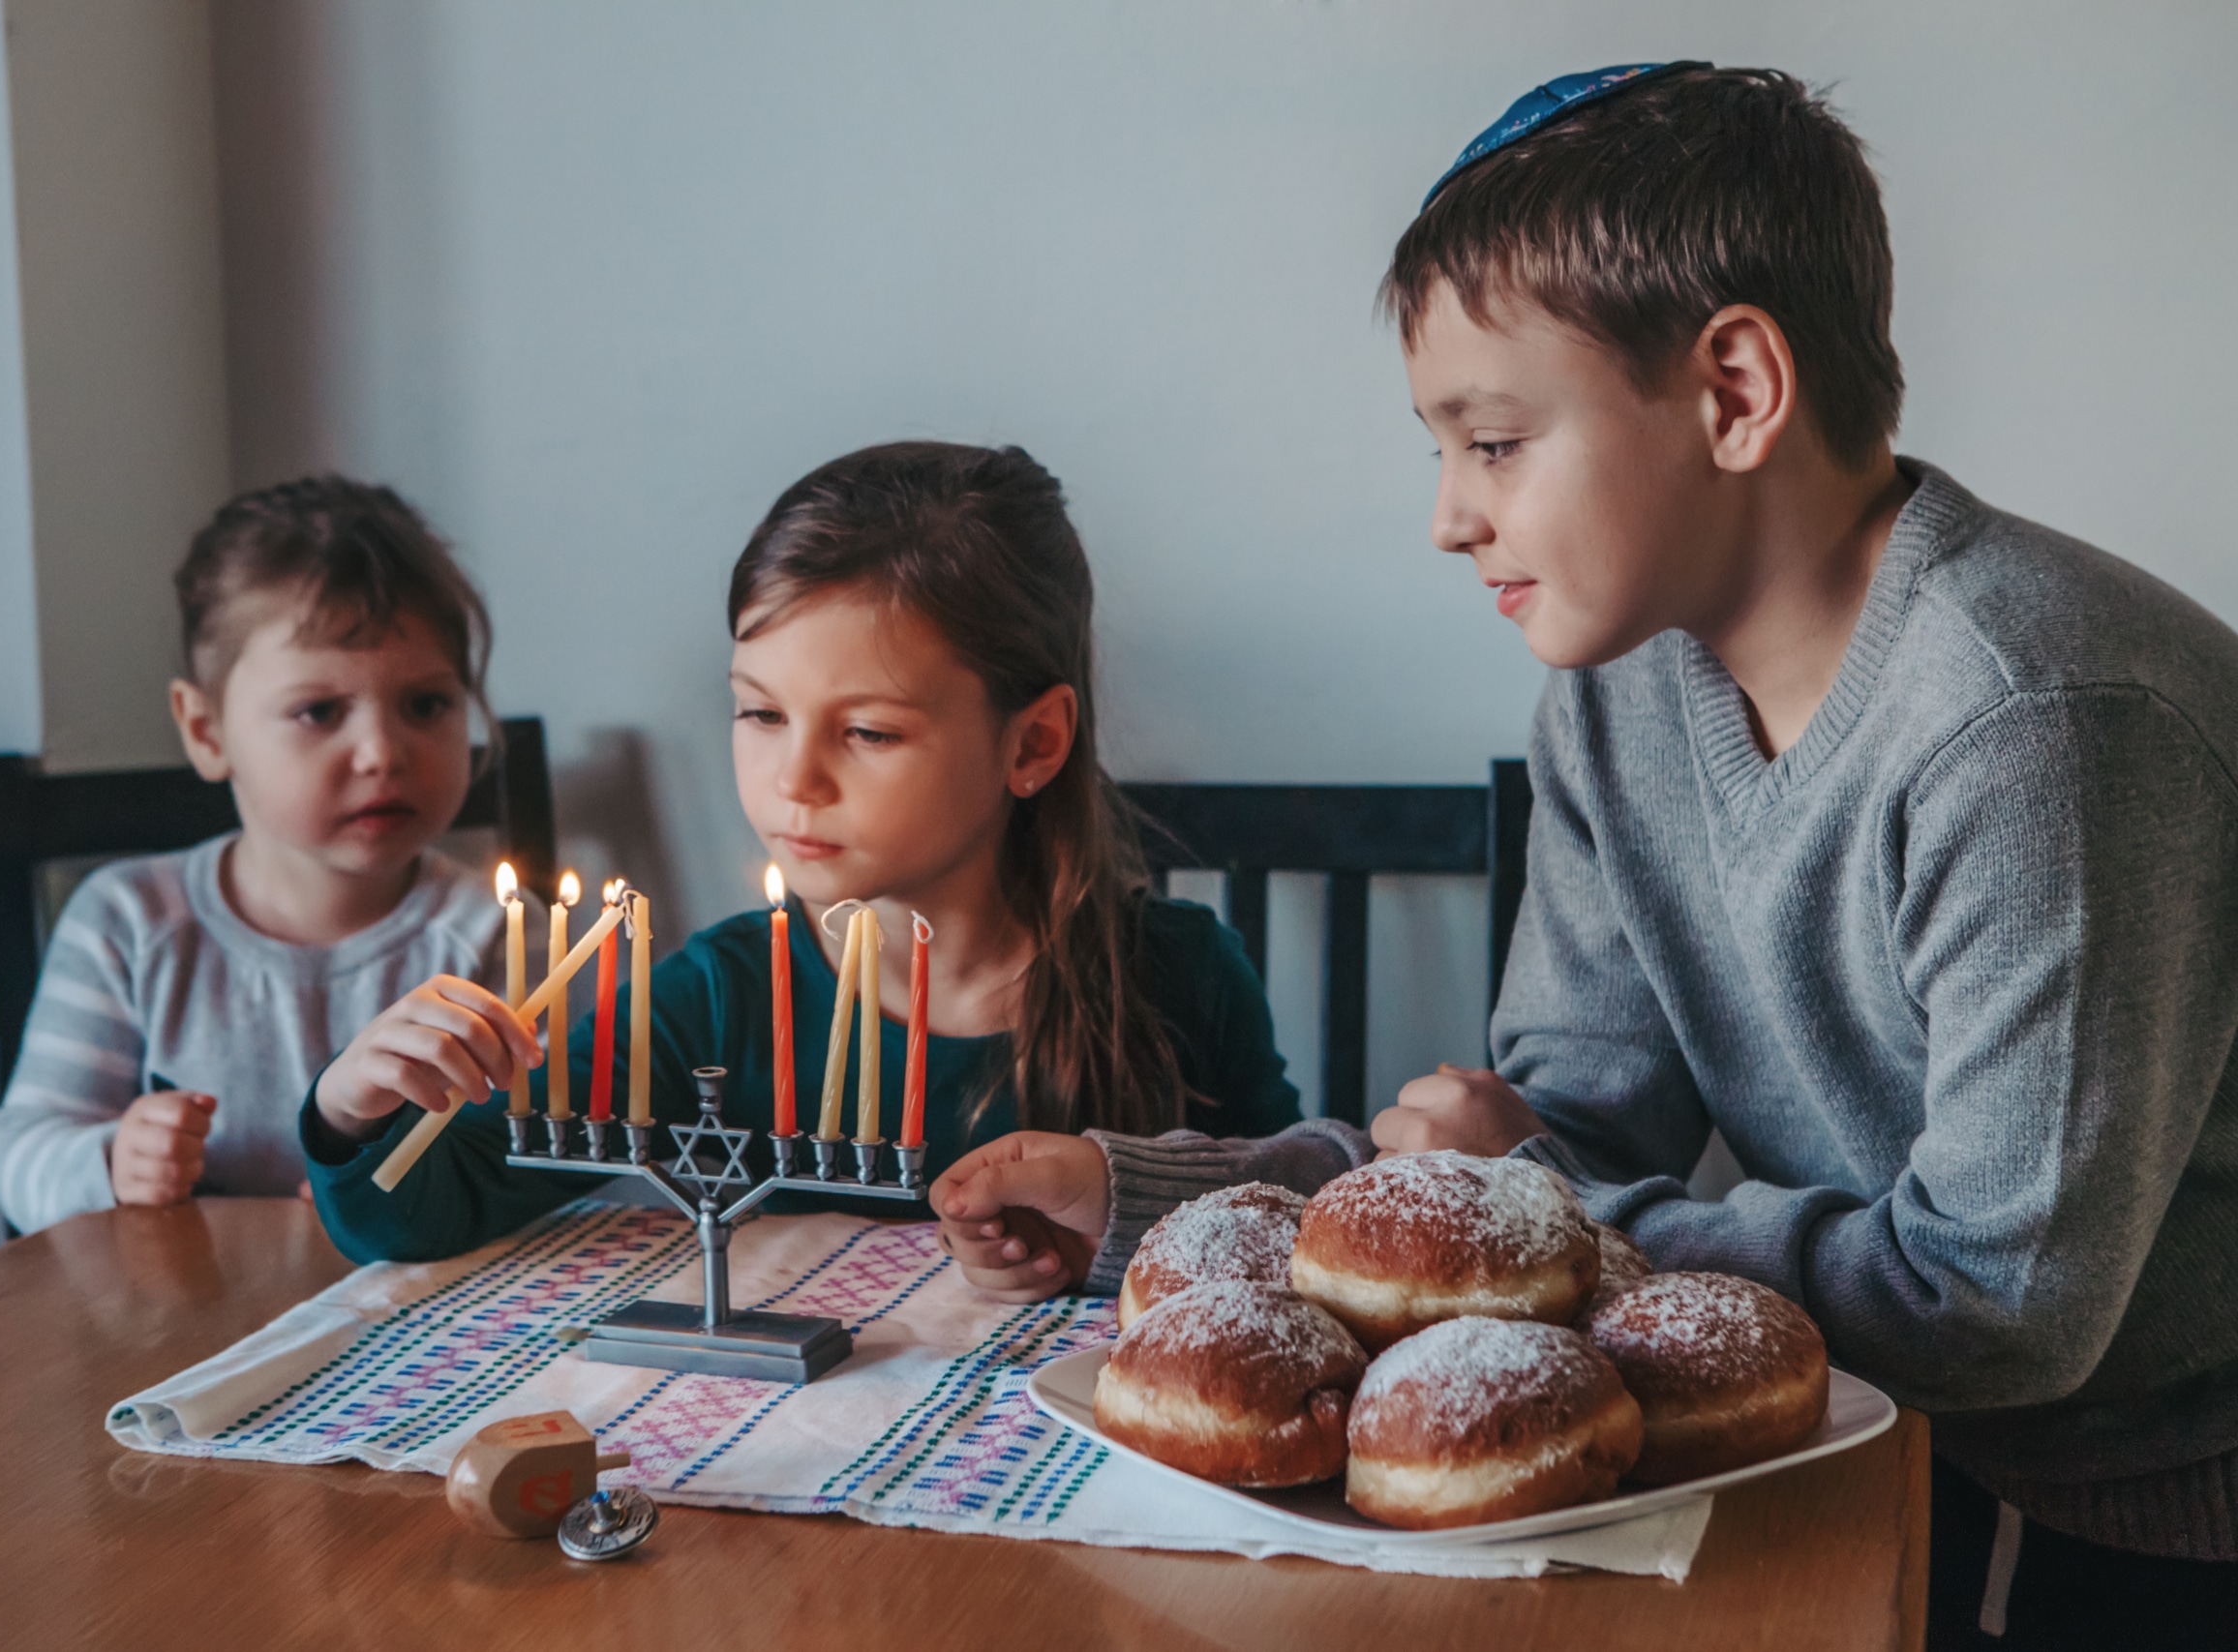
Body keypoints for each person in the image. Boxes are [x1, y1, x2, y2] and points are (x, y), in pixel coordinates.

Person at [929, 65, 2238, 1646]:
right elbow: (1547, 1149)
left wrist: (1539, 1185)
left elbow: (2003, 1307)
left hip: (2157, 1521)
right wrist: (1147, 1193)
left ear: (1736, 391)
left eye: (1491, 440)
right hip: (1874, 1440)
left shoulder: (2039, 722)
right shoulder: (1621, 693)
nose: (1446, 517)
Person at [303, 440, 1301, 1264]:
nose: (793, 780)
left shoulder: (1179, 975)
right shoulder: (718, 998)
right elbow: (415, 1212)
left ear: (1031, 743)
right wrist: (352, 1108)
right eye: (758, 713)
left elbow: (1293, 1228)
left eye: (866, 732)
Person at [0, 477, 526, 1233]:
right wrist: (110, 1159)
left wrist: (429, 1187)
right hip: (180, 1334)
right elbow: (20, 1152)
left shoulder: (506, 934)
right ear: (206, 730)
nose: (381, 752)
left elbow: (557, 1163)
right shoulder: (127, 923)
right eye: (318, 711)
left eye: (426, 704)